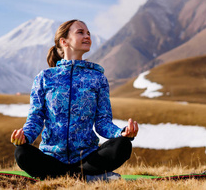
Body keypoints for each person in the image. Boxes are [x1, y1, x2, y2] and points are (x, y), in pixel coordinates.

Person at [10, 19, 139, 181]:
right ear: (64, 41)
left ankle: (66, 176)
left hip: (88, 158)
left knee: (123, 145)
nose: (87, 36)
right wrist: (25, 137)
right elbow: (35, 119)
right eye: (81, 32)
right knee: (22, 153)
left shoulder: (98, 78)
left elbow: (102, 122)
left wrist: (121, 133)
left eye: (88, 33)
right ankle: (88, 178)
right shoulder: (44, 78)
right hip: (52, 158)